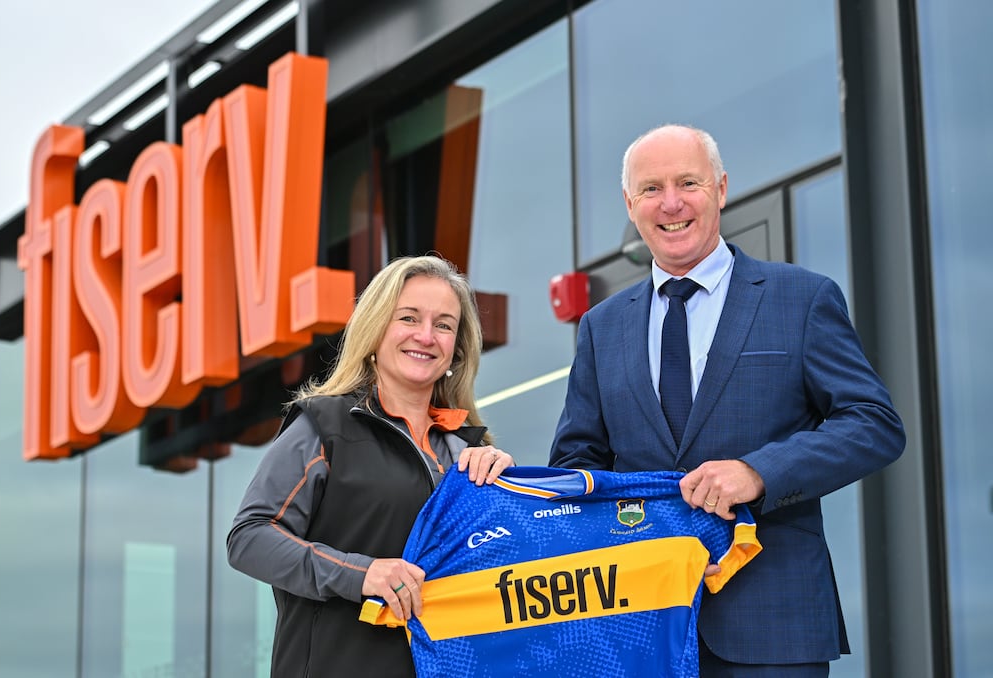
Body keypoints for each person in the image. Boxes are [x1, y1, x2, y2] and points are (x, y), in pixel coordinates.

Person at [548, 124, 905, 676]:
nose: (671, 203)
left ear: (720, 188)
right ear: (630, 203)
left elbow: (874, 424)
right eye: (651, 189)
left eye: (688, 182)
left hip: (772, 626)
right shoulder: (601, 327)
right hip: (644, 630)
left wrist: (759, 472)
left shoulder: (800, 298)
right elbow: (578, 466)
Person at [227, 255, 514, 678]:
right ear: (376, 329)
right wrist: (362, 573)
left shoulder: (468, 452)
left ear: (457, 346)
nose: (426, 336)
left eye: (444, 325)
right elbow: (249, 538)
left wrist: (509, 493)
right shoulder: (325, 427)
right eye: (409, 318)